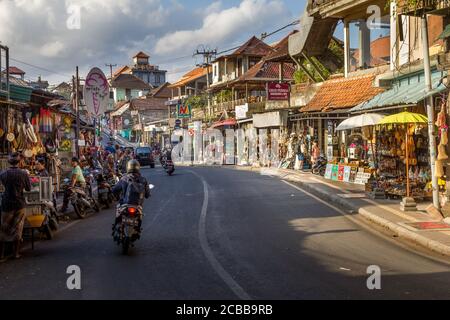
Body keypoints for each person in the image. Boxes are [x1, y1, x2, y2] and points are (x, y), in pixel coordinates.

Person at [0, 153, 32, 261]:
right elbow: (28, 189)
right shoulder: (24, 174)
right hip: (19, 204)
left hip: (6, 203)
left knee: (4, 228)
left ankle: (2, 254)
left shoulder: (3, 173)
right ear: (19, 162)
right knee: (18, 228)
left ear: (9, 162)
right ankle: (16, 253)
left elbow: (3, 186)